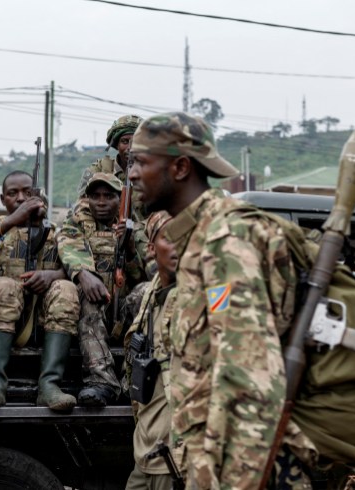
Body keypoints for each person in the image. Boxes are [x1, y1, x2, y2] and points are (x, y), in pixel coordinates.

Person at [128, 112, 316, 488]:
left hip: (245, 468)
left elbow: (250, 379)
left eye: (141, 162)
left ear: (180, 167)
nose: (131, 174)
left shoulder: (225, 239)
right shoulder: (199, 239)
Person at [0, 170, 79, 413]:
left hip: (45, 323)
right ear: (3, 199)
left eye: (28, 192)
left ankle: (49, 385)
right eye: (13, 194)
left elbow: (79, 268)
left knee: (66, 287)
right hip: (2, 322)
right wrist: (12, 221)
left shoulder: (57, 232)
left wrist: (52, 276)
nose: (21, 198)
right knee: (3, 284)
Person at [57, 172, 147, 407]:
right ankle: (102, 382)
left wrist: (129, 249)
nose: (101, 202)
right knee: (87, 297)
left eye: (109, 196)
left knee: (146, 293)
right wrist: (84, 273)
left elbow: (141, 276)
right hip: (96, 312)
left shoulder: (136, 228)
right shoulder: (75, 224)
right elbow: (70, 248)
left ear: (121, 200)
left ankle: (131, 381)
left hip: (126, 315)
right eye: (95, 196)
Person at [124, 211, 182, 490]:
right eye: (170, 238)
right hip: (146, 450)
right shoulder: (151, 294)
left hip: (176, 458)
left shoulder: (201, 296)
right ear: (151, 248)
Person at [76, 114, 142, 200]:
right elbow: (82, 207)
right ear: (117, 145)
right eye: (125, 141)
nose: (130, 148)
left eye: (136, 142)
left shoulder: (154, 173)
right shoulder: (99, 170)